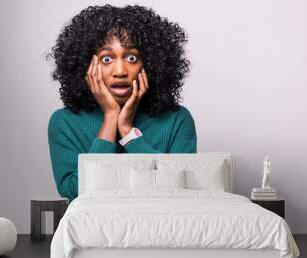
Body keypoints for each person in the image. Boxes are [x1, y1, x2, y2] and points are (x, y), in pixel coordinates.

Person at [46, 4, 197, 203]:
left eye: (131, 57)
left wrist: (127, 132)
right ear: (88, 66)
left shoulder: (177, 119)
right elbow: (74, 192)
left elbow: (180, 190)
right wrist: (110, 119)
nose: (120, 70)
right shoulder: (64, 122)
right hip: (95, 231)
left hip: (163, 228)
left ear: (150, 64)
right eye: (107, 58)